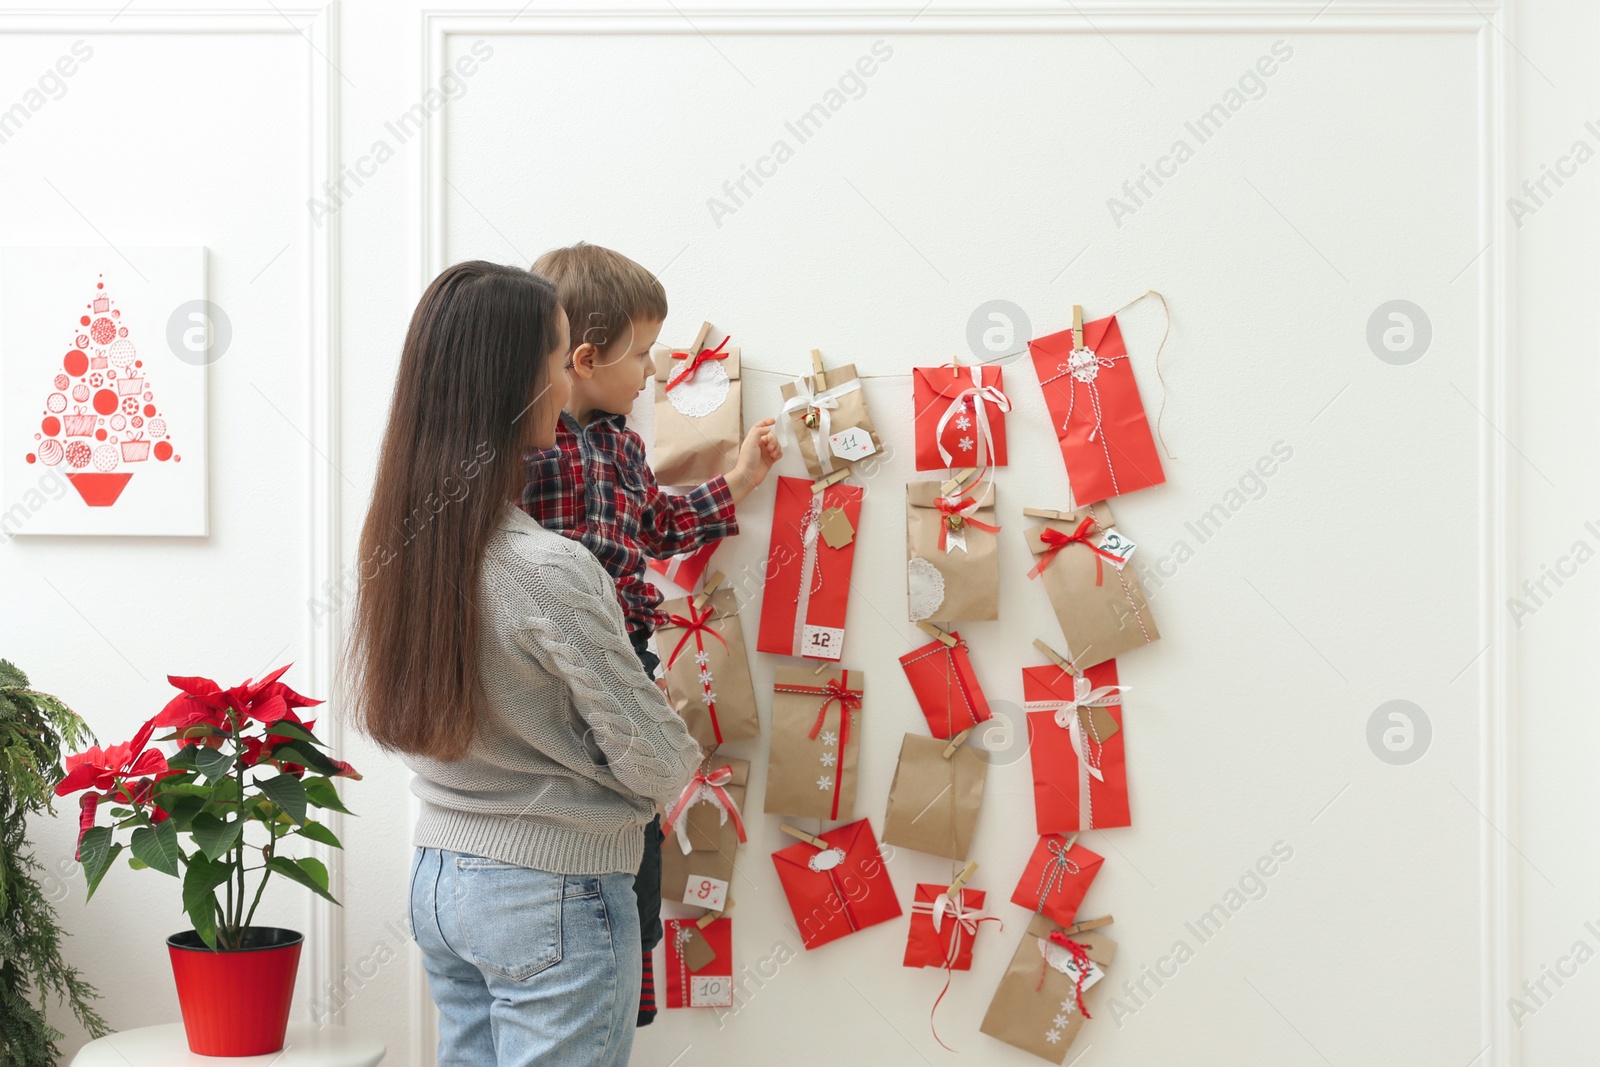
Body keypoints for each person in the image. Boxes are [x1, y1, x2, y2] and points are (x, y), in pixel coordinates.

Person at [346, 260, 702, 1067]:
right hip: (552, 892)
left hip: (442, 879)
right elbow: (661, 762)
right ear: (519, 378)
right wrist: (656, 711)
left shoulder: (403, 549)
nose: (566, 371)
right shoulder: (546, 568)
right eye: (556, 354)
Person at [519, 242, 781, 1023]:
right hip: (548, 652)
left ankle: (625, 979)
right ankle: (571, 959)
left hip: (628, 651)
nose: (653, 374)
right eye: (643, 356)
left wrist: (737, 482)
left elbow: (660, 526)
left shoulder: (626, 446)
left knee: (642, 825)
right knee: (579, 802)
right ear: (587, 358)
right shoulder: (531, 449)